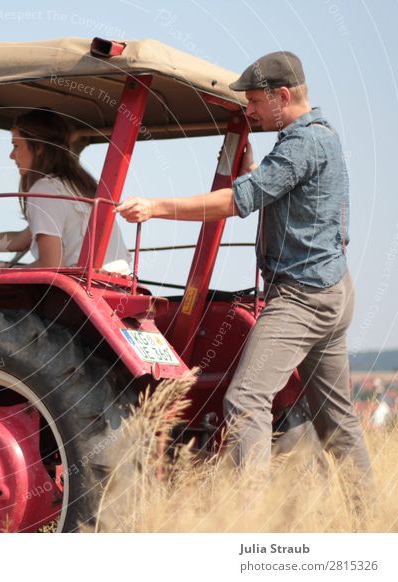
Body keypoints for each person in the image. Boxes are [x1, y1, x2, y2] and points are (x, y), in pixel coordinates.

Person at [116, 51, 373, 487]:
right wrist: (254, 170)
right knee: (336, 417)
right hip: (333, 289)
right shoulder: (319, 138)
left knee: (246, 399)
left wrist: (156, 207)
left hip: (302, 296)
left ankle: (250, 519)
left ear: (283, 95)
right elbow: (289, 195)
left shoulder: (301, 143)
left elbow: (234, 203)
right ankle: (371, 522)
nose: (250, 110)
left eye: (254, 101)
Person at [0, 110, 130, 272]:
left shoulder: (45, 189)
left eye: (16, 145)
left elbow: (51, 264)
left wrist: (3, 271)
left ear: (39, 148)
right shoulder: (79, 186)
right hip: (115, 283)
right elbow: (20, 240)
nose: (11, 155)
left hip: (79, 293)